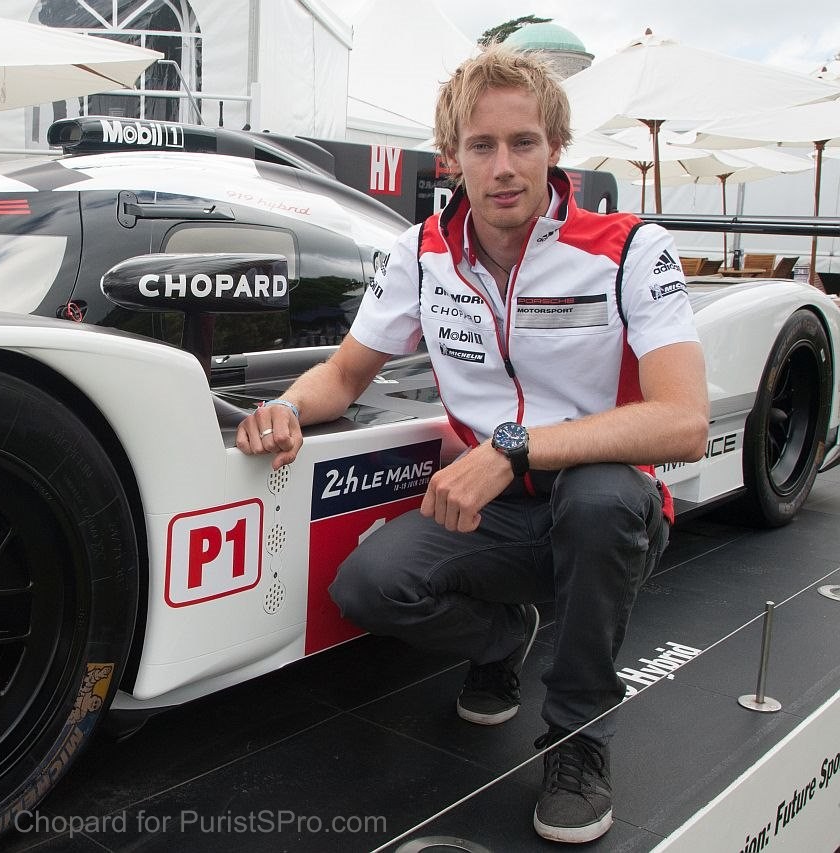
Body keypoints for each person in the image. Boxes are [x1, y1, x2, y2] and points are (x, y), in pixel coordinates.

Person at [237, 45, 708, 844]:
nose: (503, 168)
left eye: (522, 143)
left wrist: (515, 447)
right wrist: (284, 405)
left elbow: (684, 421)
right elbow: (346, 374)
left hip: (600, 507)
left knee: (602, 498)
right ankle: (501, 637)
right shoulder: (420, 252)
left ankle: (576, 736)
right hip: (489, 515)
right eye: (481, 147)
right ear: (451, 157)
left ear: (554, 149)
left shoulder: (632, 247)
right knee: (368, 586)